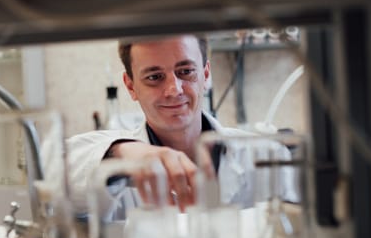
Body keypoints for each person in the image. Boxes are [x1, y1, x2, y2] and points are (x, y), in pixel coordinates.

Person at [66, 34, 296, 221]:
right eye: (155, 77)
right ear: (131, 86)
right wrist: (123, 154)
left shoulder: (267, 154)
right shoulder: (115, 156)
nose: (174, 90)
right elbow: (57, 175)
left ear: (205, 75)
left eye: (185, 72)